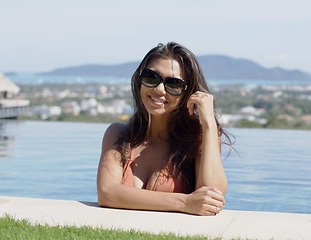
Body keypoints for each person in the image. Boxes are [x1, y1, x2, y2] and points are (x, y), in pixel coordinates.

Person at [97, 42, 233, 216]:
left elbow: (211, 198)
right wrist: (184, 202)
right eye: (151, 77)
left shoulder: (198, 140)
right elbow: (107, 193)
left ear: (188, 93)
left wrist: (209, 124)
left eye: (173, 84)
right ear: (139, 80)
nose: (159, 89)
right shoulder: (119, 135)